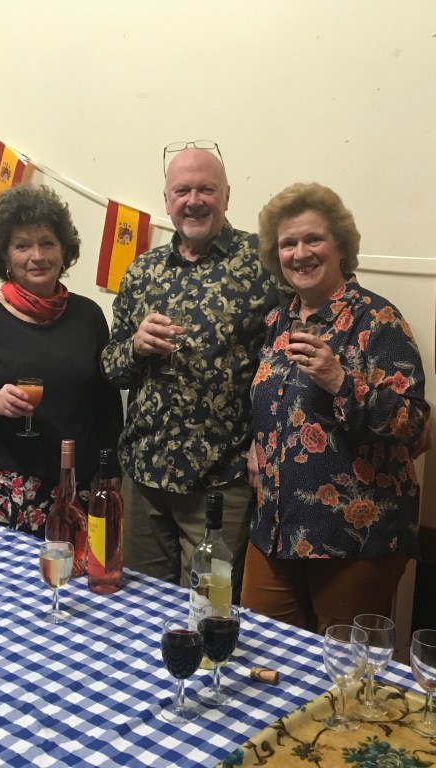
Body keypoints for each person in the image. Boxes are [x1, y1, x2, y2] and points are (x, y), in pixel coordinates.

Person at [243, 182, 431, 634]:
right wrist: (258, 442)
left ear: (341, 247)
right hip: (276, 526)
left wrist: (340, 381)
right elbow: (277, 403)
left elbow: (414, 423)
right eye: (288, 243)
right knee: (262, 650)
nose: (300, 254)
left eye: (313, 239)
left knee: (343, 665)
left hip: (352, 537)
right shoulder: (278, 320)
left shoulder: (378, 320)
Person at [101, 144, 282, 595]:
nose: (194, 200)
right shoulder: (142, 271)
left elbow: (286, 366)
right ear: (167, 200)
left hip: (222, 480)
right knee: (139, 603)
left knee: (207, 608)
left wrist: (266, 441)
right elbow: (111, 367)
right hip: (144, 476)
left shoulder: (265, 263)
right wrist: (135, 347)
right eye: (182, 190)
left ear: (227, 196)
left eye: (207, 189)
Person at [0, 185, 123, 533]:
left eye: (48, 243)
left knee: (74, 567)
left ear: (64, 250)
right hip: (1, 486)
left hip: (76, 486)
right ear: (4, 256)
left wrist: (110, 474)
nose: (38, 256)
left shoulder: (89, 315)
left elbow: (107, 404)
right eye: (22, 245)